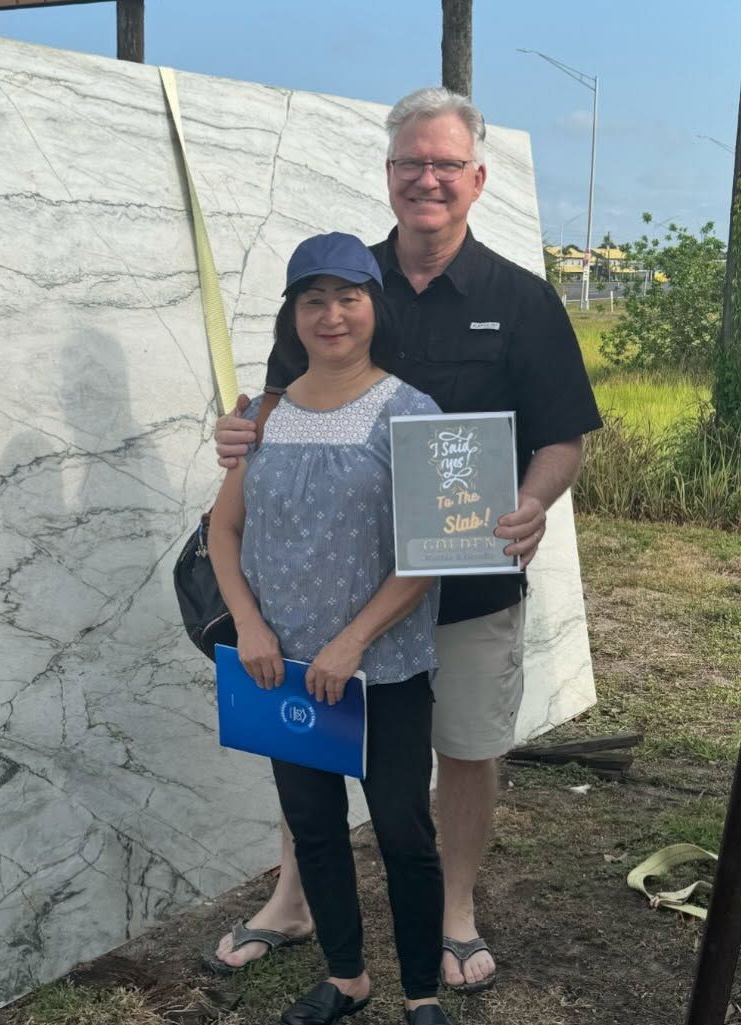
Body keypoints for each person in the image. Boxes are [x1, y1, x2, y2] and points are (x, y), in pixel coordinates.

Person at [208, 87, 602, 993]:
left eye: (444, 165)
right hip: (323, 597)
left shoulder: (521, 298)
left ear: (476, 178)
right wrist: (237, 434)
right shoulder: (346, 283)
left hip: (462, 586)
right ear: (389, 176)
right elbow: (270, 407)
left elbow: (561, 437)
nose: (427, 179)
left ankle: (453, 909)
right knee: (310, 746)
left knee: (462, 744)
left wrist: (534, 501)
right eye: (409, 164)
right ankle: (295, 896)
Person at [208, 230, 452, 1025]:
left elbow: (427, 552)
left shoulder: (410, 412)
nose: (332, 314)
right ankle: (346, 976)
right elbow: (224, 530)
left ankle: (420, 989)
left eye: (347, 296)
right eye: (313, 299)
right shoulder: (262, 414)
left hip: (379, 668)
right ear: (293, 315)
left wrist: (353, 641)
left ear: (372, 306)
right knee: (312, 823)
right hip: (283, 666)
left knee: (402, 829)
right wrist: (249, 626)